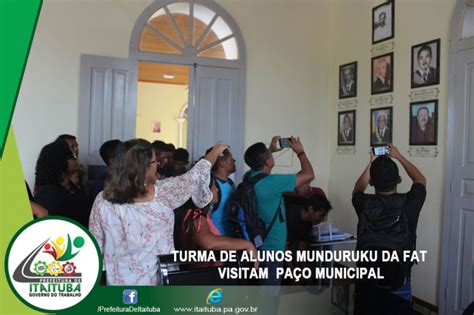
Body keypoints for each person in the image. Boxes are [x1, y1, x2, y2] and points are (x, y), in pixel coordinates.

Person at [89, 139, 228, 285]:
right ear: (145, 168)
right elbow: (196, 175)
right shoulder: (164, 195)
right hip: (157, 282)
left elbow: (95, 246)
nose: (158, 166)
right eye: (156, 162)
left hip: (117, 283)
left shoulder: (102, 200)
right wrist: (216, 151)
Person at [352, 144, 426, 314]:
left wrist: (371, 162)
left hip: (366, 284)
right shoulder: (410, 204)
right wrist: (398, 156)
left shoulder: (363, 203)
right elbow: (420, 179)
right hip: (399, 284)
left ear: (371, 182)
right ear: (399, 180)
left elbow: (357, 189)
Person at [243, 136, 314, 286]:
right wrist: (300, 152)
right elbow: (308, 175)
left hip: (257, 245)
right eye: (269, 155)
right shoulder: (272, 182)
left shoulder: (249, 177)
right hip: (273, 249)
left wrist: (270, 151)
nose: (271, 155)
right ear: (268, 161)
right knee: (270, 296)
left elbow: (257, 163)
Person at [175, 177, 258, 266]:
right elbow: (208, 242)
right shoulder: (196, 216)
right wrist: (247, 244)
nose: (217, 189)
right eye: (214, 186)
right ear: (205, 191)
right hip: (204, 274)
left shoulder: (191, 213)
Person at [34, 141, 91, 227]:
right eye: (71, 156)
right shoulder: (51, 195)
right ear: (59, 161)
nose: (75, 157)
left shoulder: (71, 186)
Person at [203, 147, 237, 236]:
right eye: (231, 159)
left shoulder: (230, 183)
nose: (234, 161)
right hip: (218, 240)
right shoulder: (212, 186)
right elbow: (206, 217)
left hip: (230, 239)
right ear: (222, 164)